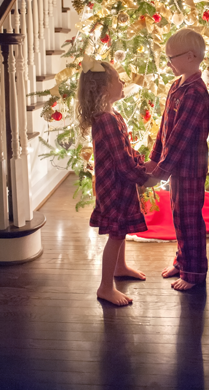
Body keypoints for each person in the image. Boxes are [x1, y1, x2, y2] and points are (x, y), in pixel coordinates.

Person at [82, 61, 157, 307]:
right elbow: (123, 164)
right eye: (118, 80)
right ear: (104, 88)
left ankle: (120, 267)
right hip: (114, 186)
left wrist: (141, 162)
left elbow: (126, 151)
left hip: (118, 183)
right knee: (116, 234)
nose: (123, 83)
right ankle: (105, 287)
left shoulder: (113, 115)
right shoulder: (106, 120)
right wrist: (145, 176)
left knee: (121, 228)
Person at [153, 30, 209, 293]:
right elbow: (165, 130)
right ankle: (182, 260)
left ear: (191, 57)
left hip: (189, 169)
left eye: (171, 58)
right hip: (176, 168)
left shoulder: (195, 93)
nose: (167, 63)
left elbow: (180, 138)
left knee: (190, 219)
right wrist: (155, 159)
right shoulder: (177, 86)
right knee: (179, 216)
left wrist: (160, 171)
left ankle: (195, 271)